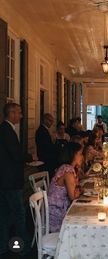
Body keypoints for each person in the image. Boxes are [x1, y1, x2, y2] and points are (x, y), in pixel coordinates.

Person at [0, 103, 34, 257]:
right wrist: (30, 157)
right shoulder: (7, 131)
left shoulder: (5, 129)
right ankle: (24, 247)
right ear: (11, 113)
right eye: (19, 113)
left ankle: (3, 246)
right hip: (11, 181)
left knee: (5, 215)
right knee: (19, 214)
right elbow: (15, 155)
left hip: (5, 180)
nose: (21, 116)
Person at [48, 142, 84, 232]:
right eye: (80, 154)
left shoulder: (65, 167)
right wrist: (79, 190)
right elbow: (73, 196)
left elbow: (76, 188)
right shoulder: (68, 171)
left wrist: (78, 190)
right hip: (56, 214)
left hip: (60, 208)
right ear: (73, 155)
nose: (82, 157)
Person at [35, 113, 56, 178]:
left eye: (52, 121)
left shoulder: (45, 130)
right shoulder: (42, 131)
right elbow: (46, 146)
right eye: (50, 121)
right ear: (45, 120)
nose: (51, 123)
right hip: (45, 159)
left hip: (46, 158)